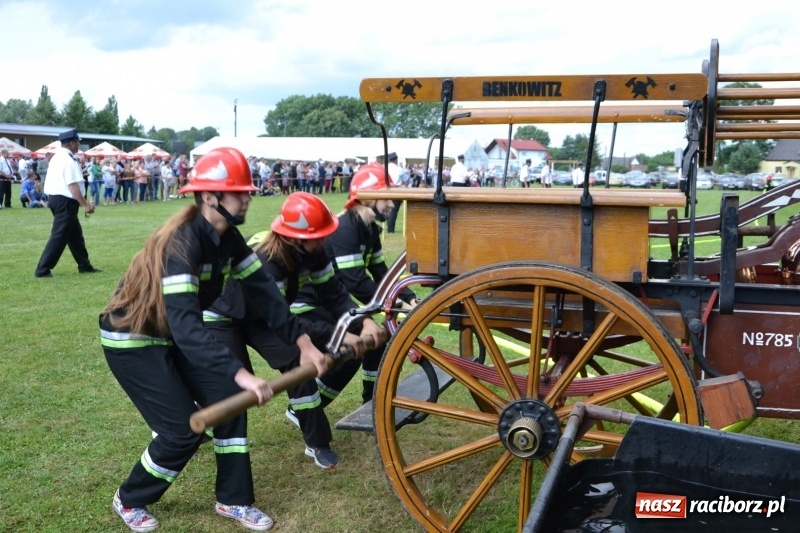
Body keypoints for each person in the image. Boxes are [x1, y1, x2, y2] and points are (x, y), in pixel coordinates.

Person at [101, 147, 327, 532]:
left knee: (228, 404)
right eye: (239, 191)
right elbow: (190, 328)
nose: (248, 197)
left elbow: (265, 293)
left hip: (170, 334)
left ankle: (233, 500)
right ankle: (130, 498)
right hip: (132, 340)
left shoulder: (229, 238)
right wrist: (240, 374)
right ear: (210, 196)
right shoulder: (182, 243)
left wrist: (303, 344)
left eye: (247, 190)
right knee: (181, 433)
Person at [204, 192, 384, 470]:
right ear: (294, 237)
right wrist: (337, 335)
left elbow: (334, 294)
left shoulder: (314, 250)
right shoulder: (267, 262)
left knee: (298, 364)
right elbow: (282, 317)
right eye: (319, 236)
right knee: (230, 386)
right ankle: (184, 421)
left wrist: (364, 321)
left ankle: (317, 443)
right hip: (223, 318)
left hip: (261, 319)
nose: (325, 240)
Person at [302, 163, 418, 410]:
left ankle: (372, 399)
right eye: (386, 197)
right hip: (311, 303)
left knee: (378, 336)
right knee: (354, 346)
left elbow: (379, 272)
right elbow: (355, 281)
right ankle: (310, 406)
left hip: (334, 300)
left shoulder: (369, 228)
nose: (391, 204)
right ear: (365, 198)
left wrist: (409, 298)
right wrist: (395, 304)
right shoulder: (345, 229)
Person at [34, 129, 100, 278]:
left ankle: (84, 265)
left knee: (75, 235)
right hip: (65, 201)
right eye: (78, 142)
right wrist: (85, 205)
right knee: (59, 236)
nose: (79, 145)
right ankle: (42, 270)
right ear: (72, 143)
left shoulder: (57, 158)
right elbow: (72, 186)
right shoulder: (68, 160)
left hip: (56, 199)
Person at [385, 152, 406, 233]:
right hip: (396, 191)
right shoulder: (399, 169)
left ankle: (389, 227)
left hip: (385, 190)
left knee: (386, 210)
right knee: (393, 211)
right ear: (395, 159)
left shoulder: (384, 168)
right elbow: (405, 180)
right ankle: (390, 229)